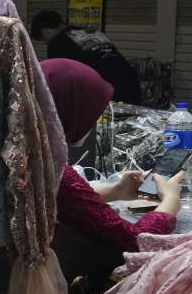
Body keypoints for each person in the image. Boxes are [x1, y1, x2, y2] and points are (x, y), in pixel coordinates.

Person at [41, 59, 180, 257]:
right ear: (67, 109)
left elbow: (63, 201)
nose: (94, 122)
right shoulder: (49, 170)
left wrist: (116, 191)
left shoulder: (27, 153)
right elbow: (134, 242)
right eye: (92, 112)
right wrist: (171, 203)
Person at [34, 11, 141, 104]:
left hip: (103, 92)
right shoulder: (92, 32)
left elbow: (59, 80)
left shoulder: (57, 42)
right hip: (131, 83)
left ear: (46, 31)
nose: (46, 43)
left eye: (44, 40)